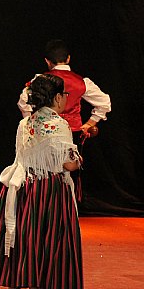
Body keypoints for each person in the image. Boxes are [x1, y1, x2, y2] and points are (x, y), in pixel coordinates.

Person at [0, 74, 82, 289]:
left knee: (22, 242)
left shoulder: (25, 122)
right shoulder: (58, 124)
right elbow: (68, 163)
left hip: (23, 187)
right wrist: (79, 160)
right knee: (41, 244)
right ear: (57, 97)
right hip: (46, 191)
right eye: (65, 95)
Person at [17, 39, 110, 200]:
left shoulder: (40, 80)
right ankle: (65, 210)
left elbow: (23, 102)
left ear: (47, 61)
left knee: (42, 170)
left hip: (44, 133)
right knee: (68, 173)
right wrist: (89, 124)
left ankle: (42, 206)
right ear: (68, 58)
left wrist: (30, 122)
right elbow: (104, 102)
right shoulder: (82, 82)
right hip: (71, 132)